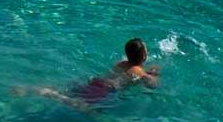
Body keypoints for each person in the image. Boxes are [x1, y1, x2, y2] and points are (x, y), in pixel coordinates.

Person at [13, 39, 162, 110]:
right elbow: (153, 85)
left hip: (96, 82)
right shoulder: (140, 72)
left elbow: (130, 68)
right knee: (81, 106)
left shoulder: (120, 63)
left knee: (67, 92)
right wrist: (154, 74)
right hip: (105, 90)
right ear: (144, 56)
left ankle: (33, 89)